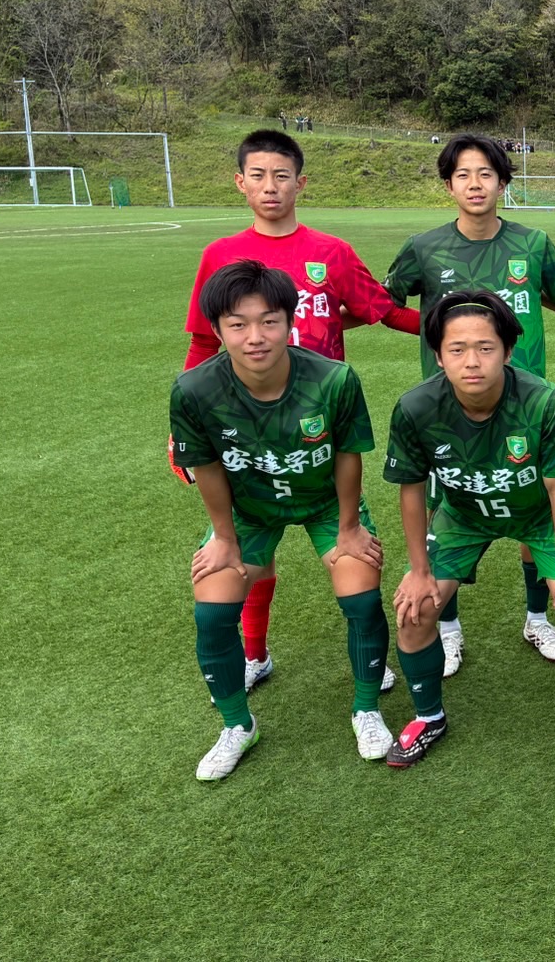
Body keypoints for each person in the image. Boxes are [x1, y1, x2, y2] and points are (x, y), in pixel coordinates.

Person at [177, 129, 416, 693]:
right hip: (244, 432)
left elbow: (381, 310)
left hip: (318, 427)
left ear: (300, 183)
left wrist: (461, 326)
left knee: (351, 548)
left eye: (281, 176)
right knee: (251, 551)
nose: (270, 187)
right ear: (240, 183)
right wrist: (179, 433)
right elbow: (204, 343)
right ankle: (254, 654)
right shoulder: (220, 255)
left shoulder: (331, 252)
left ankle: (368, 659)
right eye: (258, 176)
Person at [383, 135, 555, 675]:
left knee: (534, 510)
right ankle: (449, 630)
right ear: (448, 185)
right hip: (449, 416)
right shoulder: (424, 247)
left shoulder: (533, 243)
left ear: (503, 182)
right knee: (446, 515)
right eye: (463, 174)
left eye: (486, 173)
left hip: (525, 410)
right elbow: (383, 304)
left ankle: (536, 618)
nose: (475, 184)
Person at [171, 260, 390, 780]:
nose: (255, 337)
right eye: (238, 324)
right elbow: (206, 466)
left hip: (325, 503)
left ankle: (367, 710)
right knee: (212, 611)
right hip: (248, 509)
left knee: (361, 595)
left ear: (290, 321)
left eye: (269, 321)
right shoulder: (194, 389)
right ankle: (237, 725)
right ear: (217, 329)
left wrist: (349, 527)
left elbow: (348, 455)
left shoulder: (333, 379)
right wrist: (224, 537)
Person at [383, 291, 555, 769]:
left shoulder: (543, 401)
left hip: (537, 515)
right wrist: (419, 571)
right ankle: (428, 717)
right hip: (462, 515)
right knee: (414, 611)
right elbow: (411, 492)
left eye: (485, 348)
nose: (472, 361)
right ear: (438, 354)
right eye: (457, 349)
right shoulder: (415, 407)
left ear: (507, 351)